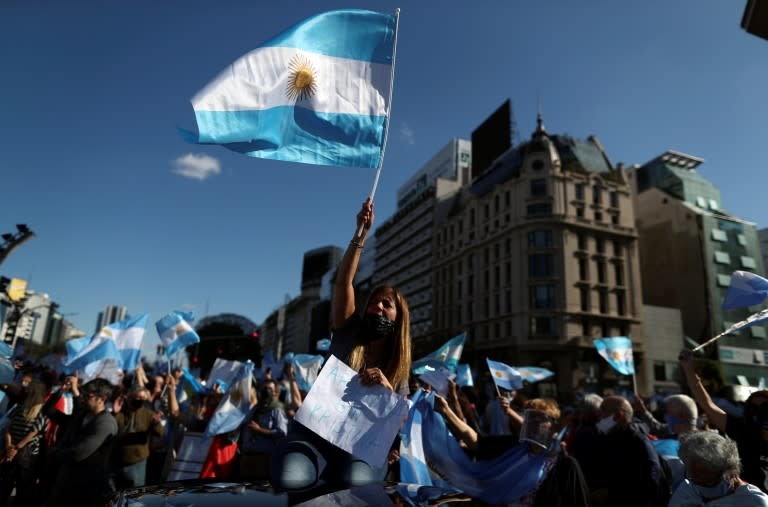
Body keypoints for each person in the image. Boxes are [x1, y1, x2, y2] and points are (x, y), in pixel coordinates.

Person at [271, 197, 412, 490]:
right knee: (292, 476)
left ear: (399, 318)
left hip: (360, 450)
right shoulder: (349, 332)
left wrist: (386, 390)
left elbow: (401, 425)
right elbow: (343, 284)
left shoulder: (399, 369)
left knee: (356, 484)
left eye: (387, 304)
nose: (378, 307)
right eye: (373, 302)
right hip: (315, 438)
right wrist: (360, 234)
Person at [680, 348, 768, 493]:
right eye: (753, 408)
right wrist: (689, 369)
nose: (758, 414)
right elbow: (707, 404)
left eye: (765, 408)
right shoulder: (743, 431)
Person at [45, 378, 118, 507]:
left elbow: (79, 452)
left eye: (88, 396)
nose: (83, 398)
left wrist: (54, 452)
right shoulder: (81, 416)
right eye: (83, 395)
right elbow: (49, 411)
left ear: (101, 399)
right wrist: (62, 390)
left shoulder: (105, 422)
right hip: (64, 482)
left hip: (84, 487)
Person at [591, 395, 667, 507]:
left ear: (618, 415)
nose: (599, 417)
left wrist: (613, 494)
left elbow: (651, 481)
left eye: (603, 412)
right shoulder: (608, 438)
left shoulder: (638, 442)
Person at [669, 430, 768, 506]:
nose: (700, 485)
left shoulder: (755, 502)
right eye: (694, 478)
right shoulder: (687, 489)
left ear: (731, 472)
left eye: (708, 481)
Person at [0, 379, 48, 507]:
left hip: (26, 454)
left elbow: (33, 433)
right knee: (5, 483)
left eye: (29, 391)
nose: (26, 392)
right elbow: (8, 428)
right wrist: (9, 446)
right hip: (12, 450)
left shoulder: (43, 411)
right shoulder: (21, 407)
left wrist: (14, 448)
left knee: (22, 486)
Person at [111, 385, 164, 489]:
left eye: (143, 399)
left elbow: (159, 433)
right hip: (117, 460)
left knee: (134, 495)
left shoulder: (148, 414)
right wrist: (114, 413)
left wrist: (156, 423)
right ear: (129, 397)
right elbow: (111, 429)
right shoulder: (120, 412)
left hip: (137, 463)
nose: (139, 401)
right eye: (137, 398)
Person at [239, 378, 287, 480]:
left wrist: (259, 430)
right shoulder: (255, 408)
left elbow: (281, 432)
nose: (266, 391)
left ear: (275, 392)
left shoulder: (277, 409)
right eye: (264, 388)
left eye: (269, 388)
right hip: (248, 457)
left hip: (265, 459)